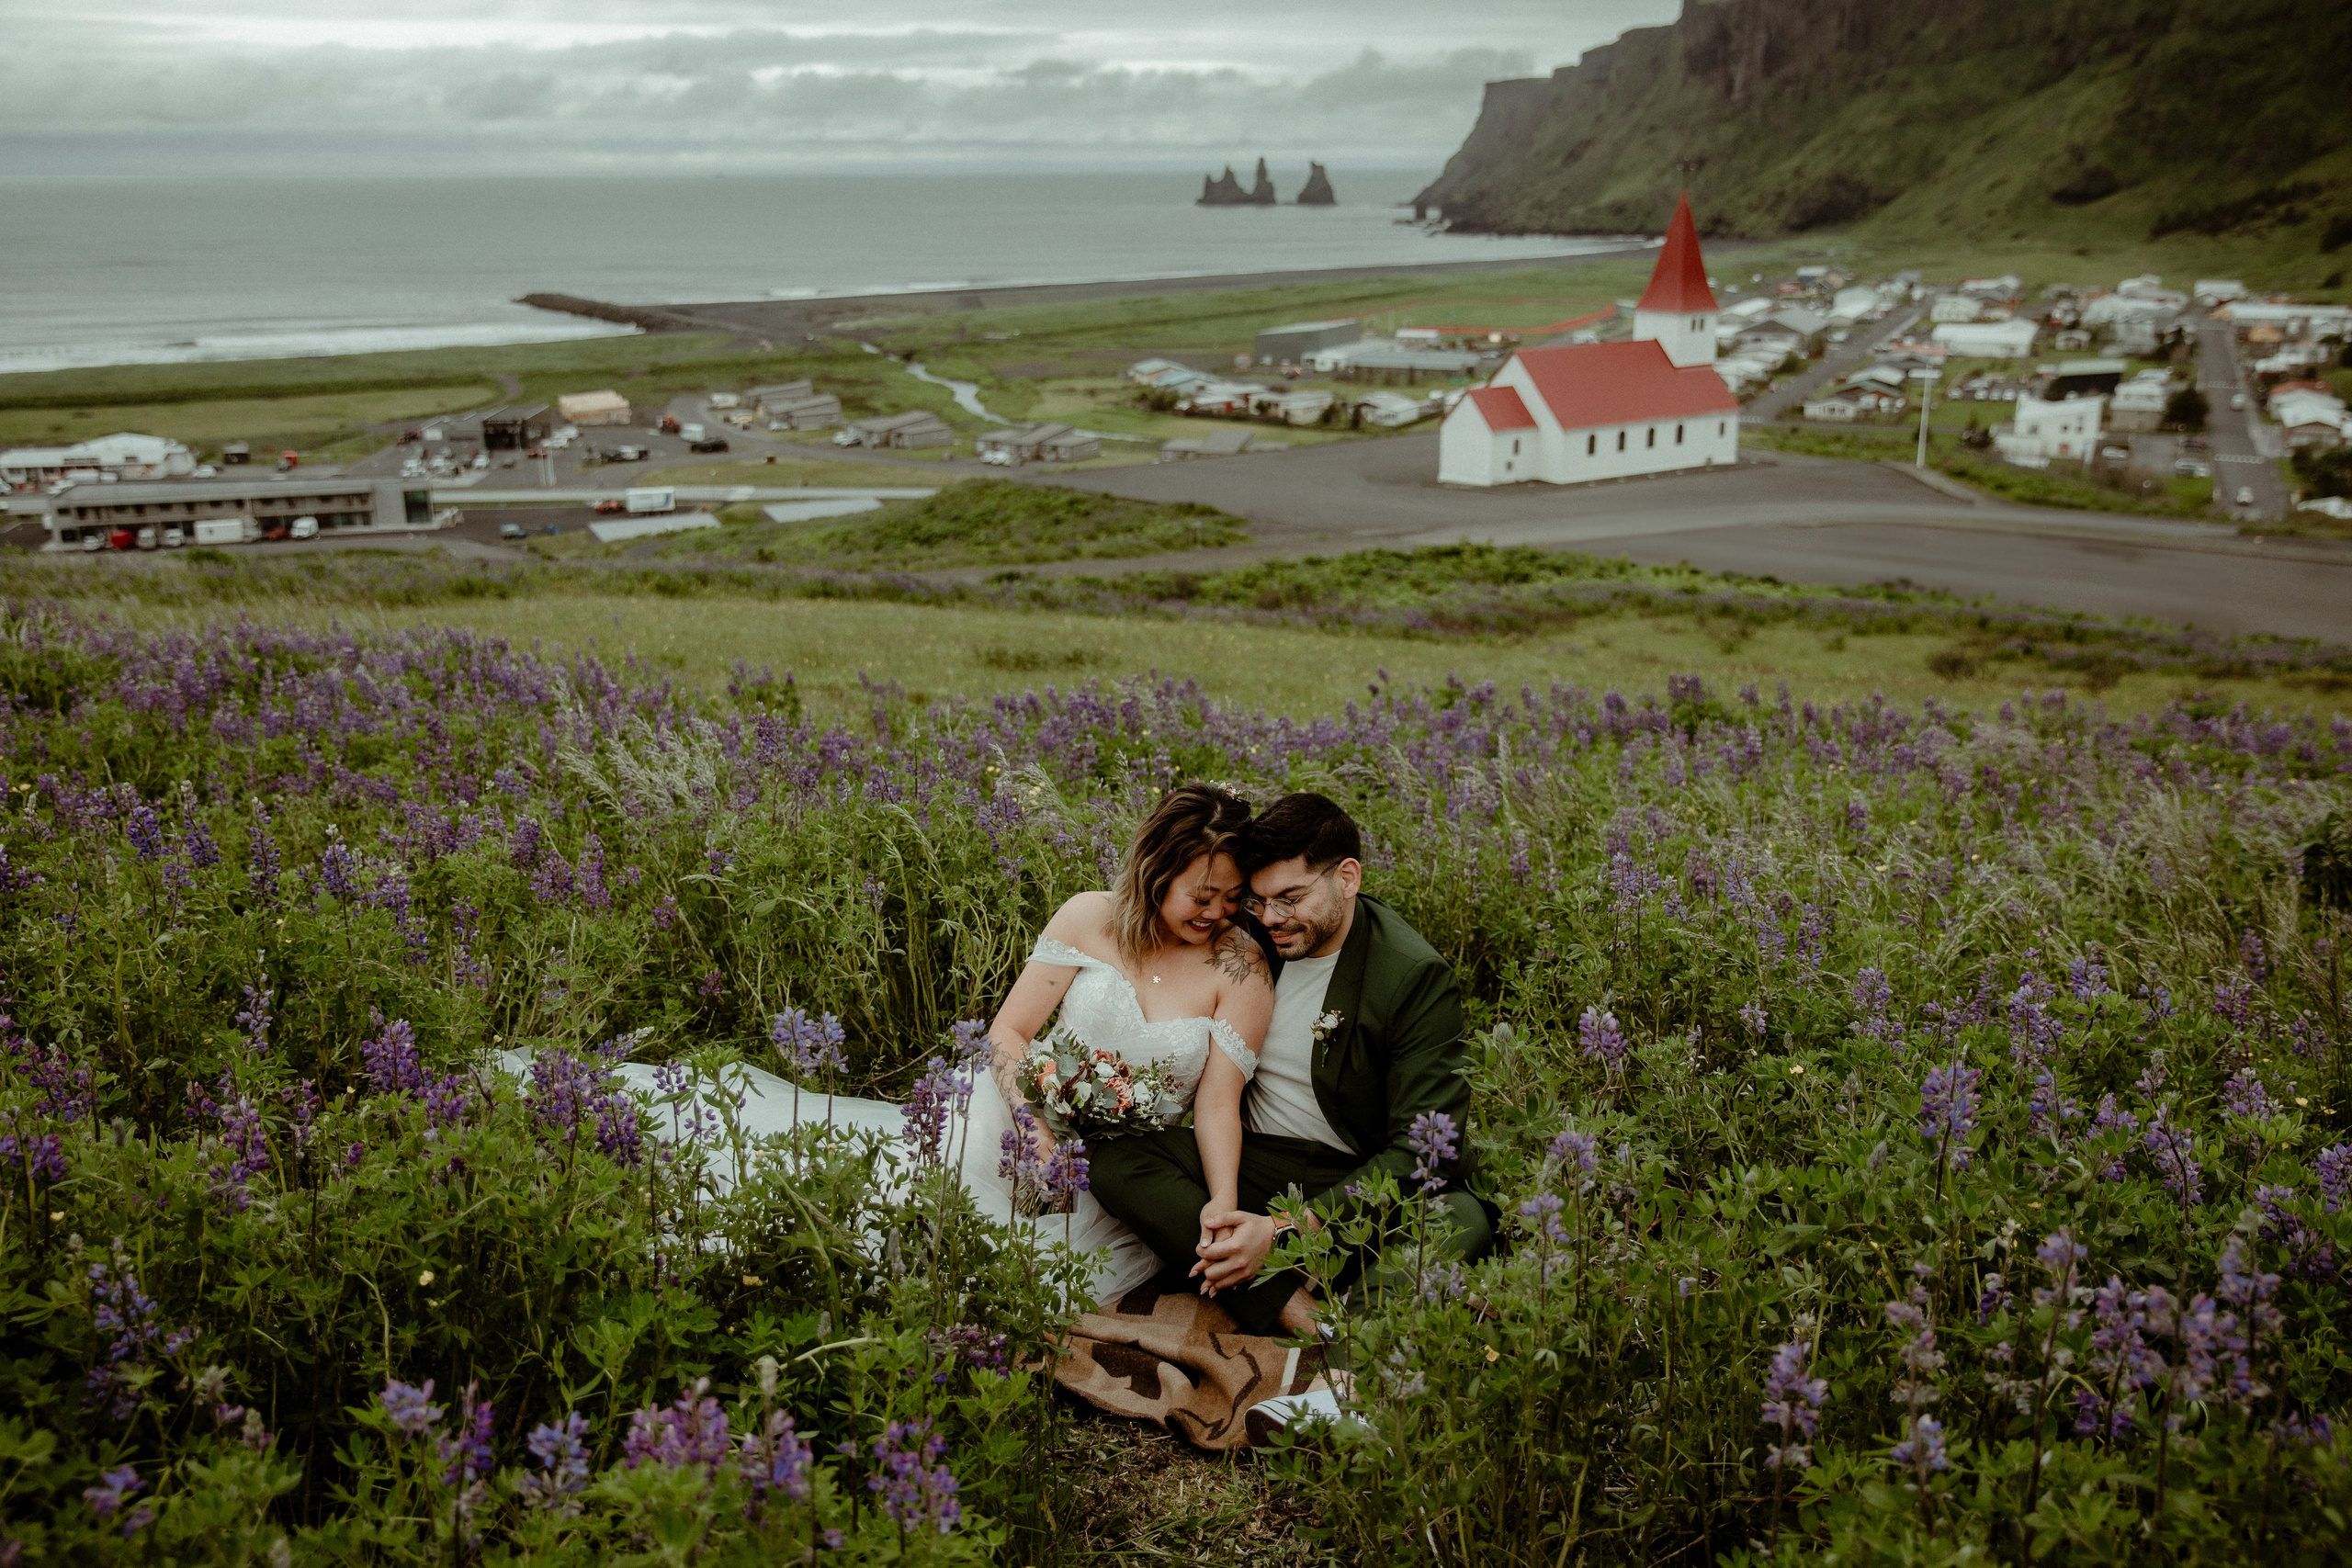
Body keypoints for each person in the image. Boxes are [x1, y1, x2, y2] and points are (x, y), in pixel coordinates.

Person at [1088, 792, 1495, 1337]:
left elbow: (1422, 1150)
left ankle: (1359, 1352)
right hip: (1258, 1162)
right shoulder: (1248, 937)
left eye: (1291, 899)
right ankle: (1298, 1310)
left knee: (1461, 1217)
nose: (1271, 919)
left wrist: (1284, 1230)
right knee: (1116, 1158)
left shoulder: (1412, 975)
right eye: (1257, 901)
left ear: (1347, 878)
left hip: (1353, 1174)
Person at [962, 782, 1273, 1304]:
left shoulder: (1241, 967)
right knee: (940, 1222)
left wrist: (1222, 1200)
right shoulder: (1088, 917)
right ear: (1157, 874)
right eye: (1201, 896)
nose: (1216, 912)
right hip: (1019, 1114)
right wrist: (1031, 1128)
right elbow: (1009, 1032)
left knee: (1039, 1286)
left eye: (1233, 897)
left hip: (1121, 1171)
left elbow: (1219, 1102)